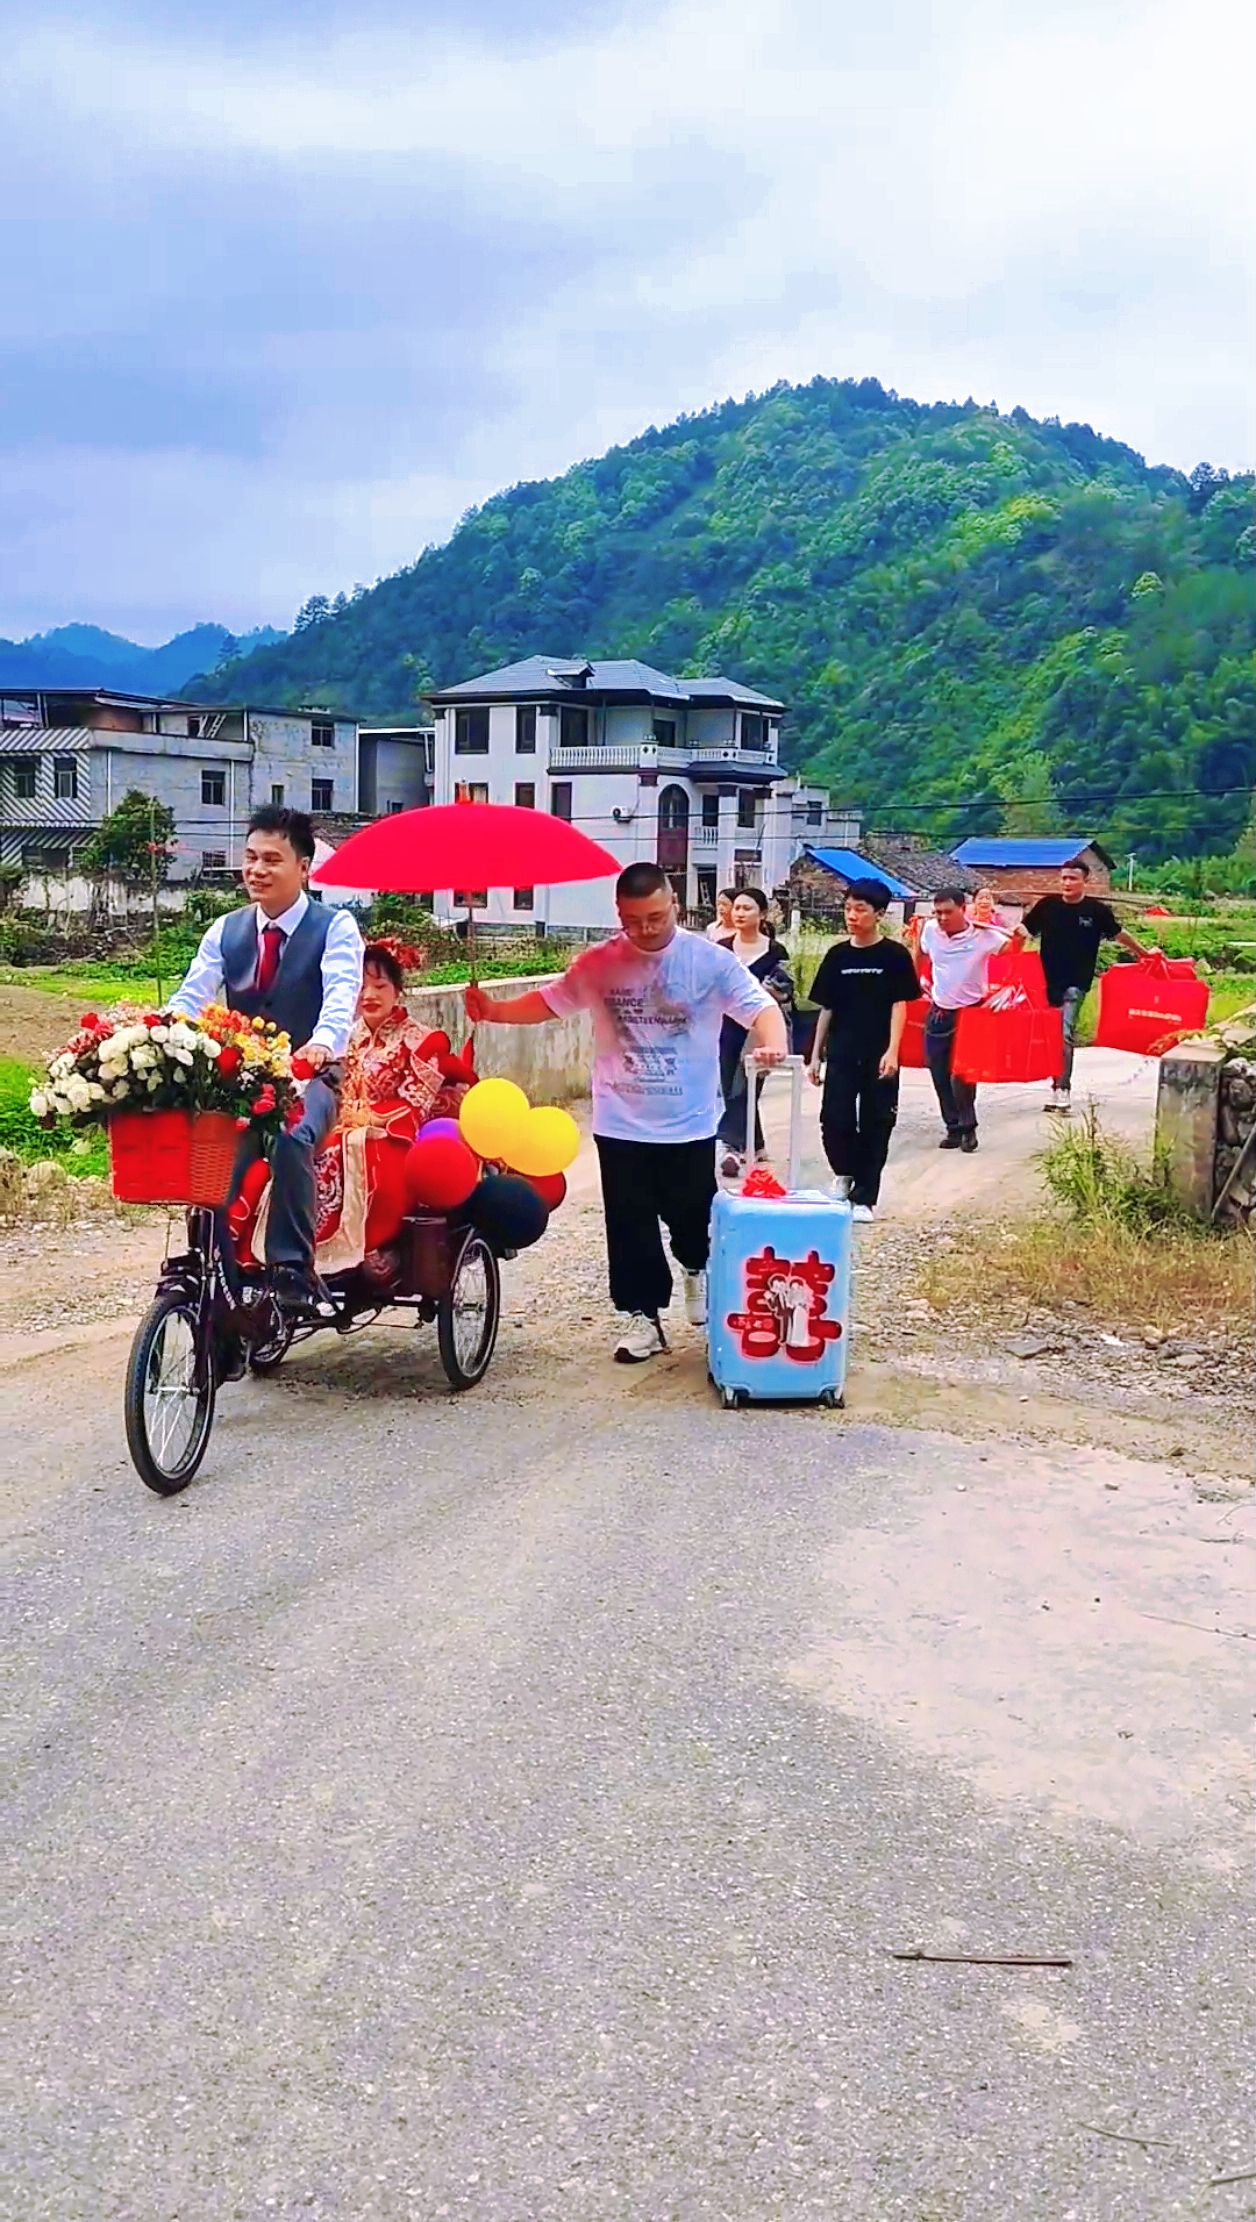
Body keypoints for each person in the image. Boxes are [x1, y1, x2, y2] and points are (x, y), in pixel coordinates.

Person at [465, 862, 788, 1363]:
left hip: (688, 1121)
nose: (645, 930)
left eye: (655, 918)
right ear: (619, 914)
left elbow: (759, 1007)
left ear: (674, 905)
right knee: (630, 1224)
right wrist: (494, 1011)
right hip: (620, 1120)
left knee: (692, 1216)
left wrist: (773, 1043)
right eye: (632, 921)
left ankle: (697, 1270)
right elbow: (551, 1002)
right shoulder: (600, 963)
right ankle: (643, 1316)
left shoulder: (709, 961)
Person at [169, 804, 364, 1308]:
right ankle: (211, 1264)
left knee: (291, 1136)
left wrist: (322, 1043)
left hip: (311, 1076)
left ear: (304, 867)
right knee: (208, 1152)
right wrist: (158, 1031)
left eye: (272, 860)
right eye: (251, 857)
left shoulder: (335, 927)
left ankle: (290, 1267)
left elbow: (341, 995)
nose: (256, 870)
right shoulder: (226, 930)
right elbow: (192, 996)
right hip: (243, 1079)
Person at [229, 940, 446, 1281]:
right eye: (361, 986)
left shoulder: (422, 1040)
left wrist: (368, 1118)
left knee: (346, 1149)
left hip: (387, 1136)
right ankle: (275, 1251)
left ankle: (359, 1246)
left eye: (380, 986)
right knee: (290, 1149)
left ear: (397, 990)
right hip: (336, 1126)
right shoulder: (340, 1038)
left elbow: (416, 1103)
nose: (369, 995)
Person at [806, 878, 920, 1220]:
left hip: (879, 1052)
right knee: (834, 1118)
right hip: (842, 1050)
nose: (852, 916)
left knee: (877, 1122)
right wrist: (815, 1055)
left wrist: (893, 1050)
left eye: (860, 909)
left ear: (879, 914)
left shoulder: (894, 956)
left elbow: (899, 1005)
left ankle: (865, 1198)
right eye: (848, 909)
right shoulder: (837, 956)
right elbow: (826, 1007)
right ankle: (845, 1173)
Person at [1020, 861, 1154, 1113]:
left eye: (1072, 878)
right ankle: (1055, 1086)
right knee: (1049, 1037)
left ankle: (1063, 1090)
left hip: (1076, 983)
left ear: (1085, 881)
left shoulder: (1095, 911)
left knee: (1064, 1033)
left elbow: (1119, 934)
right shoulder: (1047, 906)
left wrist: (1144, 954)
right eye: (1064, 878)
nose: (1067, 883)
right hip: (1045, 983)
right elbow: (1022, 932)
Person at [918, 887, 1010, 1152]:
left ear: (963, 909)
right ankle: (953, 1127)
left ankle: (968, 1127)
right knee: (938, 1071)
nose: (942, 918)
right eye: (938, 912)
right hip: (939, 1011)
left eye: (948, 912)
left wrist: (1019, 935)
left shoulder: (984, 935)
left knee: (963, 1074)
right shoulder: (930, 930)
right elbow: (920, 952)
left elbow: (1011, 951)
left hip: (970, 1014)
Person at [715, 887, 794, 1177]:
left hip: (760, 1030)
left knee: (747, 1087)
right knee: (731, 1087)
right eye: (736, 908)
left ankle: (731, 1147)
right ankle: (756, 1145)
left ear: (762, 914)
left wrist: (749, 997)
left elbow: (783, 988)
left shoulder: (776, 951)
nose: (739, 913)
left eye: (746, 908)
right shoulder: (721, 948)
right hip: (725, 1028)